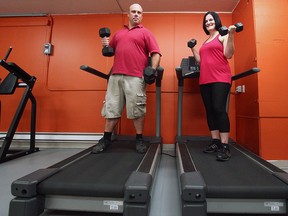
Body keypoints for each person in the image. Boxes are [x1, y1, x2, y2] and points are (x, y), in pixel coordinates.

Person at [92, 3, 161, 154]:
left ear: (142, 16)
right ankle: (106, 139)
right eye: (133, 12)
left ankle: (139, 139)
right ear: (128, 14)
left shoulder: (146, 33)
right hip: (115, 76)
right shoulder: (118, 34)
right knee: (111, 108)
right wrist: (104, 45)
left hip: (135, 77)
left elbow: (156, 53)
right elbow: (109, 51)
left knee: (137, 110)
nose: (136, 14)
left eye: (139, 12)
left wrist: (152, 70)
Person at [189, 11, 236, 161]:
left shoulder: (223, 35)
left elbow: (228, 54)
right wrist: (192, 48)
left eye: (211, 20)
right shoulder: (206, 41)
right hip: (205, 79)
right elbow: (200, 61)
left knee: (218, 108)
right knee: (209, 110)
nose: (208, 22)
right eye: (206, 21)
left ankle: (224, 146)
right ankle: (215, 142)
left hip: (220, 78)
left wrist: (232, 34)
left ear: (216, 20)